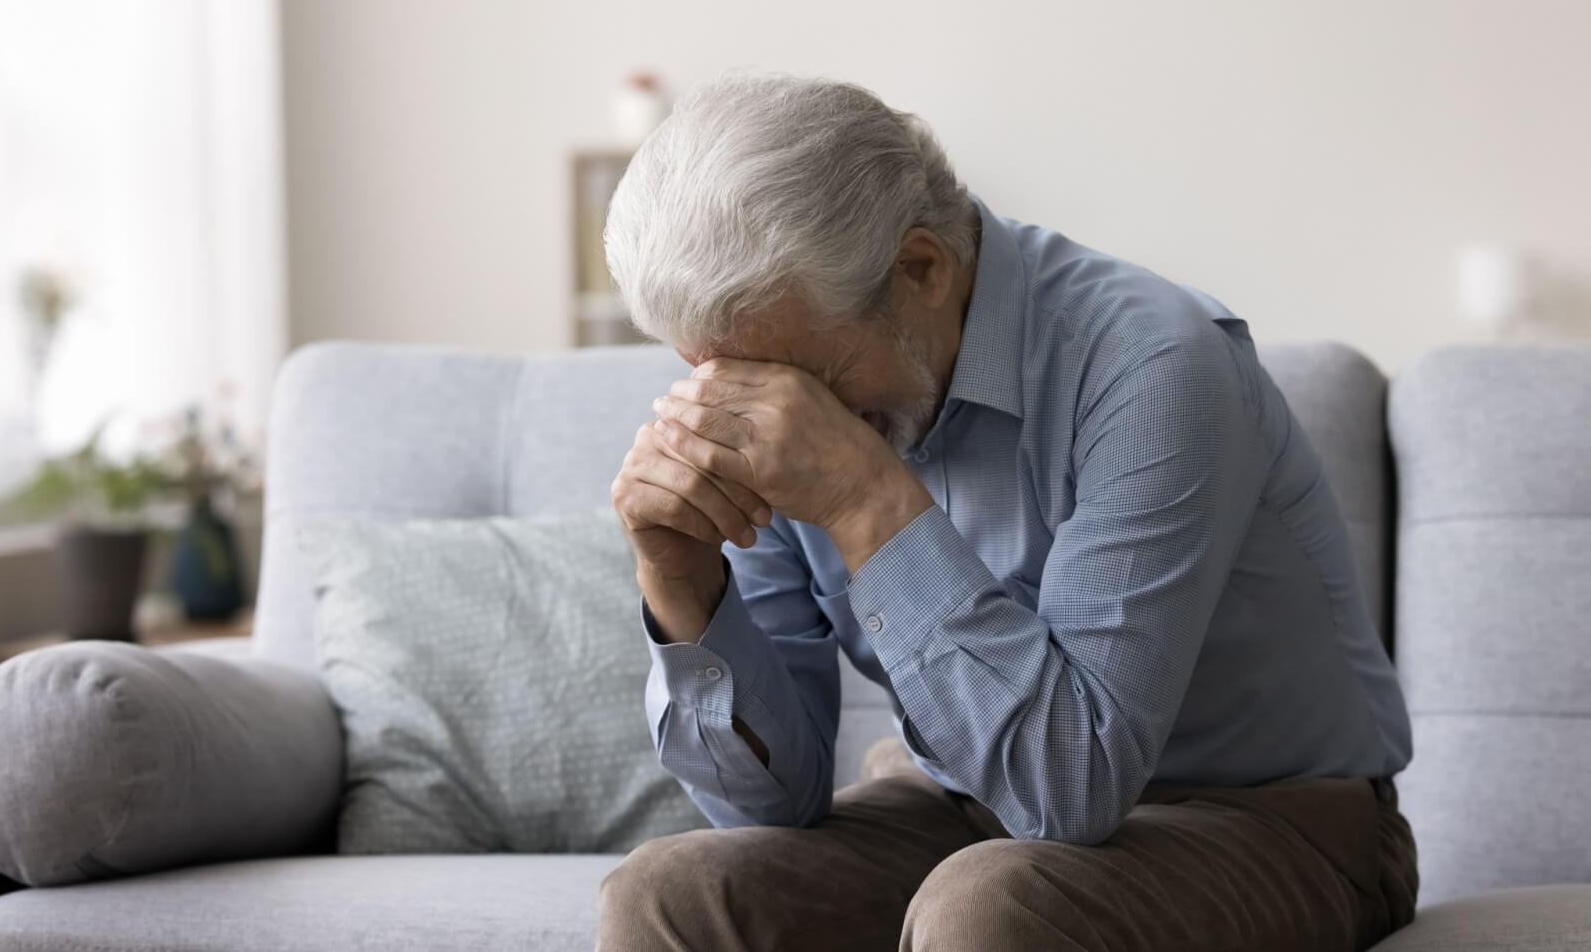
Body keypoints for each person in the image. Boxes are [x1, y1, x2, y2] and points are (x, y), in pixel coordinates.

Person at [598, 72, 1417, 951]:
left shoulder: (1152, 370)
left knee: (991, 907)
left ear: (921, 267)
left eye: (800, 382)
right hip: (968, 812)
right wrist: (682, 588)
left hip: (1273, 819)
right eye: (723, 376)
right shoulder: (780, 359)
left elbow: (1072, 787)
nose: (766, 418)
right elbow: (770, 806)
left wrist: (865, 498)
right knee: (667, 893)